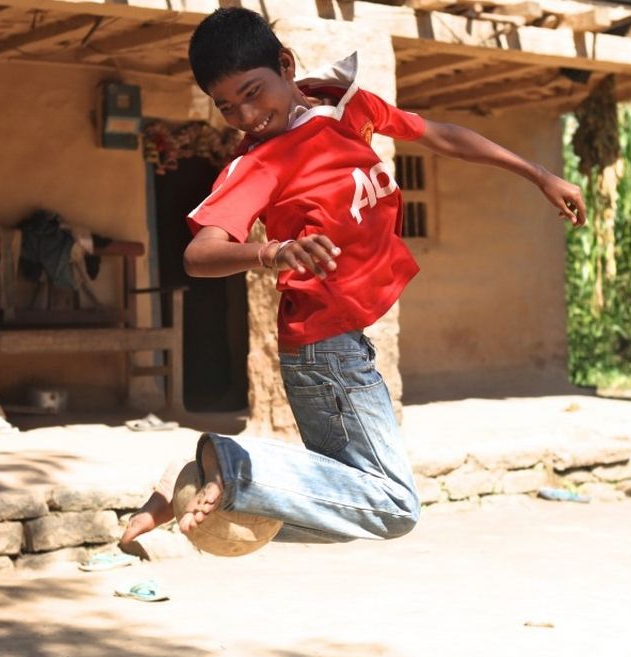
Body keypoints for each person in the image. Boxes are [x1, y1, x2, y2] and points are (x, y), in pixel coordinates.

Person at [120, 7, 585, 547]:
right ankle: (230, 462)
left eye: (252, 92)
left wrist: (539, 174)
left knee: (344, 507)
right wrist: (273, 251)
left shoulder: (343, 105)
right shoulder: (261, 163)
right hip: (324, 351)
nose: (244, 114)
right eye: (226, 106)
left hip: (343, 346)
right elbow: (199, 255)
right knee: (393, 507)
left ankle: (188, 485)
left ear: (287, 66)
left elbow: (439, 135)